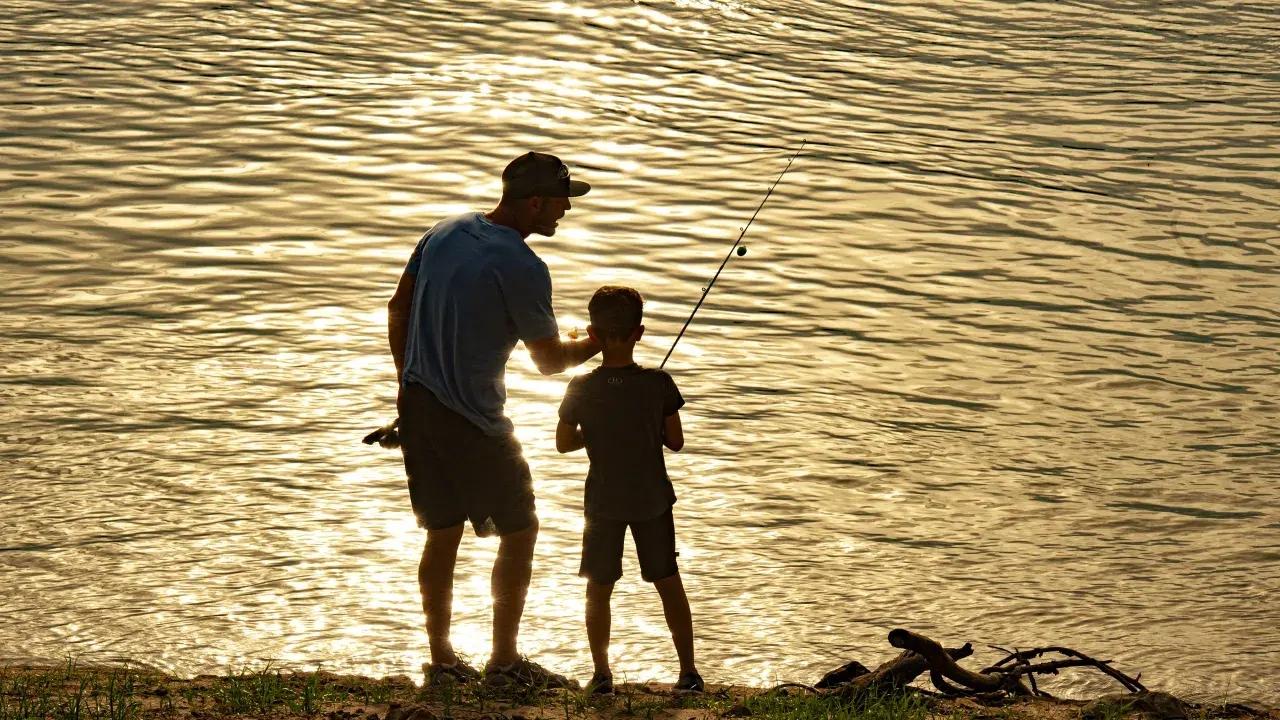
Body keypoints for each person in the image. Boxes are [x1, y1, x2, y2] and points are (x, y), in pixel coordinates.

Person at [386, 152, 601, 688]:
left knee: (441, 533)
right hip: (475, 421)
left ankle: (440, 661)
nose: (564, 212)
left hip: (418, 405)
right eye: (559, 202)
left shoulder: (445, 230)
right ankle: (503, 662)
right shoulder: (524, 266)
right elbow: (549, 360)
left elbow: (398, 307)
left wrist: (405, 387)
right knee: (520, 529)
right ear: (533, 202)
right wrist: (596, 341)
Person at [555, 286, 705, 695]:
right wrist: (648, 426)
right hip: (652, 499)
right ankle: (689, 672)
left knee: (599, 587)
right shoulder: (659, 383)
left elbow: (564, 443)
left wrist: (597, 432)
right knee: (668, 580)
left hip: (603, 501)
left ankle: (602, 675)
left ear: (593, 333)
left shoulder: (581, 386)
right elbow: (675, 442)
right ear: (639, 332)